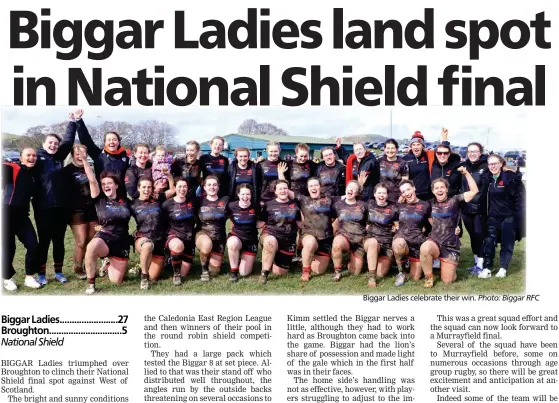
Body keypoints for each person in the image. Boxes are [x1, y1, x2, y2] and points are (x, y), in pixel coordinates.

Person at [33, 114, 77, 285]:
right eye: (50, 142)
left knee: (59, 241)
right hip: (43, 208)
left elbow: (67, 141)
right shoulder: (37, 157)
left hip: (60, 208)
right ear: (44, 144)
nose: (53, 145)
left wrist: (72, 122)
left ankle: (58, 272)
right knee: (44, 242)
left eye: (55, 143)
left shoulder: (59, 157)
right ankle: (42, 274)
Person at [420, 168, 479, 288]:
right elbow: (425, 216)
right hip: (435, 242)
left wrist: (466, 173)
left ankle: (446, 264)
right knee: (425, 247)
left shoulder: (455, 200)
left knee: (448, 280)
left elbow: (474, 191)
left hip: (451, 245)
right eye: (436, 188)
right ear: (433, 191)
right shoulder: (429, 204)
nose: (439, 190)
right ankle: (429, 277)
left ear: (447, 189)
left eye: (442, 187)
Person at [279, 162, 336, 281]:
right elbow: (286, 190)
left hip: (326, 238)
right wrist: (281, 174)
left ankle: (305, 256)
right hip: (309, 234)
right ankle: (305, 271)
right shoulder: (303, 199)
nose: (314, 188)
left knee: (320, 270)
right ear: (308, 188)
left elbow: (348, 198)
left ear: (320, 187)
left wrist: (359, 184)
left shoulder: (330, 199)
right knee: (310, 244)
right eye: (311, 186)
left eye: (316, 185)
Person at [83, 165, 132, 295]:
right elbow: (92, 180)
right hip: (105, 237)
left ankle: (107, 263)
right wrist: (84, 159)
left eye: (109, 183)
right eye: (104, 183)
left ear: (116, 185)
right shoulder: (99, 200)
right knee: (92, 246)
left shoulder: (126, 201)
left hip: (121, 241)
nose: (106, 186)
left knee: (116, 281)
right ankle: (91, 284)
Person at [478, 154, 526, 279]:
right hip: (492, 217)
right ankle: (487, 268)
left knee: (507, 243)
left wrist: (519, 216)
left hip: (508, 217)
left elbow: (520, 199)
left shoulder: (511, 178)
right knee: (489, 242)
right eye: (490, 164)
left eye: (495, 163)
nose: (492, 166)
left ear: (501, 164)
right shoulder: (486, 179)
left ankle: (503, 268)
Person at [2, 148, 42, 290]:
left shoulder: (33, 175)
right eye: (28, 155)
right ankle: (7, 278)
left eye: (34, 155)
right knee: (8, 248)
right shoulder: (13, 167)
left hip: (23, 216)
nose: (32, 157)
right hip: (6, 213)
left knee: (33, 245)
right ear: (21, 157)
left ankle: (29, 277)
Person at [131, 173, 175, 290]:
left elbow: (172, 190)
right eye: (144, 187)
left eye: (149, 187)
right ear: (138, 188)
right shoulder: (133, 204)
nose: (146, 190)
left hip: (159, 241)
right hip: (143, 238)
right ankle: (144, 277)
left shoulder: (158, 198)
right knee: (147, 246)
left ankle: (142, 266)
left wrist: (168, 176)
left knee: (154, 277)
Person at [74, 109, 130, 197]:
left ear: (119, 142)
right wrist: (79, 121)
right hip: (102, 197)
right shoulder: (98, 154)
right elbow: (86, 140)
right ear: (105, 142)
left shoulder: (126, 158)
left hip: (120, 198)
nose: (112, 142)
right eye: (109, 140)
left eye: (114, 139)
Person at [63, 144, 98, 280]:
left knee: (91, 240)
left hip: (92, 208)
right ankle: (78, 267)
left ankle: (88, 264)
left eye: (83, 154)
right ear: (73, 155)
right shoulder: (67, 170)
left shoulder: (90, 168)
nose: (81, 156)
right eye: (78, 154)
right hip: (76, 210)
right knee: (81, 241)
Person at [258, 180, 302, 284]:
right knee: (271, 242)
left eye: (285, 188)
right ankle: (264, 274)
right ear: (275, 191)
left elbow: (300, 224)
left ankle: (273, 258)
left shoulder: (295, 205)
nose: (283, 191)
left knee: (280, 272)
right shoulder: (268, 205)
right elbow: (261, 223)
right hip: (270, 235)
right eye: (280, 189)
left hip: (288, 241)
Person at [392, 180, 432, 286]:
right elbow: (388, 216)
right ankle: (401, 272)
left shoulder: (425, 205)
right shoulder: (399, 205)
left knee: (416, 277)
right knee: (398, 243)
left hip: (417, 242)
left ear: (414, 188)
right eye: (403, 191)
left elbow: (432, 225)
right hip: (403, 239)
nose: (406, 193)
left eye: (408, 189)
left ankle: (410, 261)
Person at [459, 142, 489, 274]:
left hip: (479, 208)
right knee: (472, 235)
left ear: (480, 152)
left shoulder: (485, 166)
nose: (472, 153)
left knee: (479, 235)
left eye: (475, 151)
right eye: (470, 151)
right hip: (466, 208)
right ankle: (476, 261)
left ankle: (482, 264)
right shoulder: (463, 166)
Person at [162, 178, 198, 285]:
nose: (182, 189)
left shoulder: (192, 201)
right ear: (175, 188)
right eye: (180, 186)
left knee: (185, 273)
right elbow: (162, 223)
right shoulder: (167, 204)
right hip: (174, 236)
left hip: (189, 238)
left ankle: (170, 261)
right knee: (177, 246)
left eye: (185, 187)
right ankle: (176, 275)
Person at [331, 180, 369, 281]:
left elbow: (368, 222)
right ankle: (337, 272)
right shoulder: (337, 205)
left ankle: (352, 260)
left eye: (354, 189)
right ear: (346, 189)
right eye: (349, 187)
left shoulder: (363, 205)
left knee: (355, 272)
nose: (351, 190)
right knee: (336, 245)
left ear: (357, 193)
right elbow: (332, 220)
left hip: (359, 240)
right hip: (344, 236)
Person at [364, 183, 399, 288]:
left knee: (382, 273)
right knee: (373, 243)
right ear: (374, 194)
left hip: (386, 243)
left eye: (384, 193)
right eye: (379, 193)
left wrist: (396, 230)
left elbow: (397, 226)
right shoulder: (369, 205)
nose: (381, 195)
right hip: (371, 241)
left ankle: (372, 263)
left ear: (387, 195)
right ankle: (372, 277)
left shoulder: (393, 208)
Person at [195, 176, 230, 281]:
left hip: (219, 237)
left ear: (218, 187)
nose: (212, 187)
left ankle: (211, 261)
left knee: (214, 272)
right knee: (206, 244)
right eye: (209, 185)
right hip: (203, 234)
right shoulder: (198, 201)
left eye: (214, 185)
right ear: (204, 187)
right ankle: (204, 270)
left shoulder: (225, 200)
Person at [403, 129, 450, 201]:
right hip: (413, 195)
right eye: (414, 145)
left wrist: (444, 136)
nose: (416, 147)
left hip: (429, 195)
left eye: (418, 144)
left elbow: (442, 150)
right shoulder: (405, 159)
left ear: (423, 146)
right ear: (411, 147)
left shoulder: (429, 154)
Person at [226, 184, 259, 281]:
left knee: (244, 273)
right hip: (237, 237)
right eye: (243, 194)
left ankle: (241, 257)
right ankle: (234, 272)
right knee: (233, 243)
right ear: (238, 195)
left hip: (251, 240)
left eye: (248, 194)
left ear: (251, 195)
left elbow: (262, 220)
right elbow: (224, 217)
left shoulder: (256, 206)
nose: (245, 197)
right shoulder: (231, 206)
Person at [430, 129, 462, 197]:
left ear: (449, 154)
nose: (442, 155)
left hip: (452, 201)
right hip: (436, 201)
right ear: (435, 154)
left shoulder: (456, 166)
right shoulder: (432, 164)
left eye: (445, 153)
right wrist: (444, 137)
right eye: (439, 153)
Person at [377, 139, 407, 203]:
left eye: (392, 148)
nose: (390, 151)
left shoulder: (403, 163)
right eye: (388, 148)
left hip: (397, 198)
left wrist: (403, 196)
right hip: (381, 197)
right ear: (384, 149)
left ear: (397, 149)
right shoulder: (379, 161)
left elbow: (405, 182)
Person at [258, 141, 287, 206]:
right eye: (271, 151)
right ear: (267, 151)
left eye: (276, 151)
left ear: (279, 151)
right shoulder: (260, 164)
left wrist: (281, 173)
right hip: (263, 198)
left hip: (279, 198)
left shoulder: (284, 164)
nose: (273, 154)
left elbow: (286, 183)